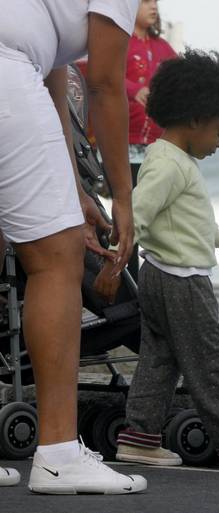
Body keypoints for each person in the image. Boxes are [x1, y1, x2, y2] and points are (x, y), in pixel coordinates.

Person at [93, 50, 219, 470]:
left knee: (159, 360)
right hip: (182, 281)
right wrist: (112, 264)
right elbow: (137, 216)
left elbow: (183, 220)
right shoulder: (169, 166)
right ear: (196, 119)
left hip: (161, 275)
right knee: (207, 360)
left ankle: (140, 437)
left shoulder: (168, 160)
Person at [0, 0, 145, 494]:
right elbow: (104, 84)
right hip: (6, 65)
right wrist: (123, 197)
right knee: (56, 259)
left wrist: (74, 186)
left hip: (17, 64)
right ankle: (59, 452)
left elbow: (53, 77)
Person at [125, 0, 176, 278]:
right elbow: (97, 75)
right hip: (124, 144)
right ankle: (127, 281)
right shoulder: (120, 43)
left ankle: (155, 279)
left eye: (155, 1)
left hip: (157, 146)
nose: (153, 6)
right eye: (145, 1)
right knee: (130, 213)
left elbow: (184, 77)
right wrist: (134, 89)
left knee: (156, 215)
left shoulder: (163, 48)